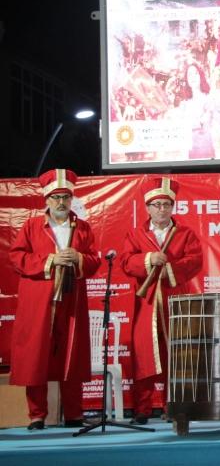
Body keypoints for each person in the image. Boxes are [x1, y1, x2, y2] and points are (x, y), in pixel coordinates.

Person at [9, 169, 101, 430]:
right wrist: (50, 260)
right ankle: (37, 415)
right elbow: (17, 258)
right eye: (56, 197)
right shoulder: (31, 227)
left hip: (71, 300)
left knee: (72, 354)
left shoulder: (83, 228)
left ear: (72, 200)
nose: (61, 202)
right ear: (46, 200)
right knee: (36, 356)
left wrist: (79, 259)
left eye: (66, 197)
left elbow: (94, 261)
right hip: (39, 302)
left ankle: (74, 413)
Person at [120, 177, 203, 424]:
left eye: (166, 204)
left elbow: (195, 261)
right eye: (156, 205)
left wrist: (169, 267)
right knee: (143, 354)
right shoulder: (135, 234)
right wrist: (147, 260)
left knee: (175, 354)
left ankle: (173, 407)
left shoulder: (186, 234)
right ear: (147, 208)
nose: (162, 209)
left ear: (172, 206)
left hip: (175, 301)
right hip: (146, 304)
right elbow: (125, 262)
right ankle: (142, 409)